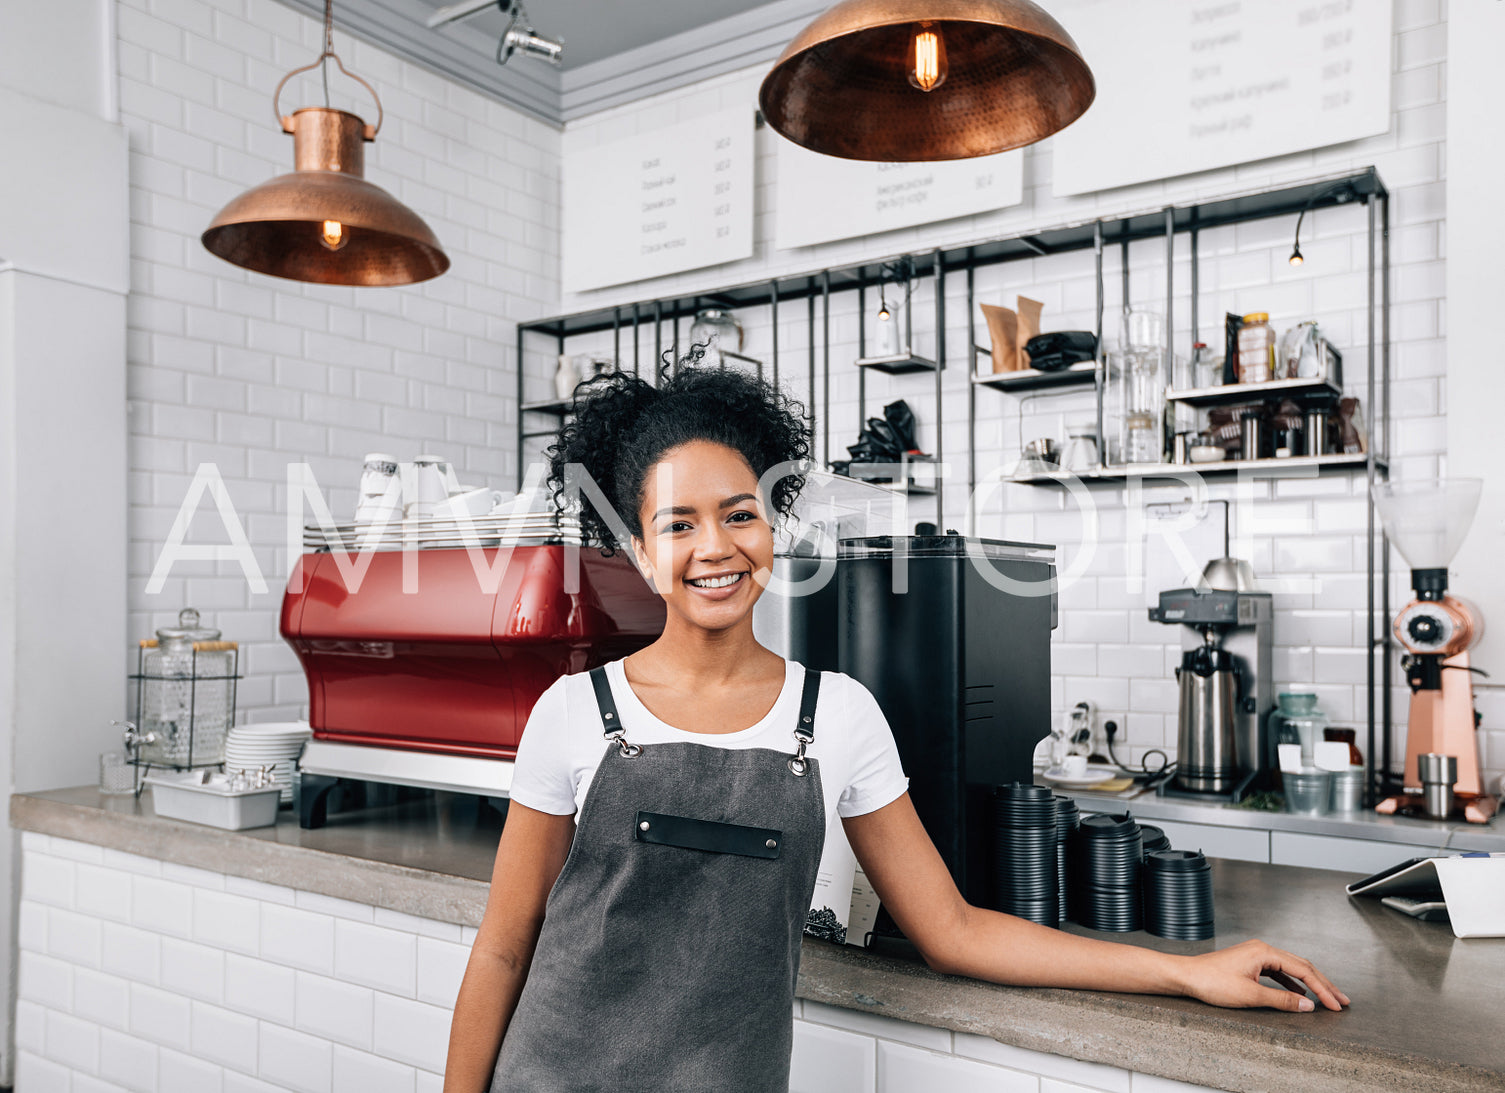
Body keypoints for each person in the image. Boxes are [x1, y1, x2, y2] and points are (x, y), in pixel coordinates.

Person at [443, 361, 1347, 1093]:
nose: (713, 546)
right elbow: (505, 946)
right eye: (677, 523)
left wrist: (1186, 969)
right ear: (641, 549)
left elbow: (951, 930)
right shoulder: (574, 713)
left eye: (739, 513)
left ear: (773, 526)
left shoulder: (833, 716)